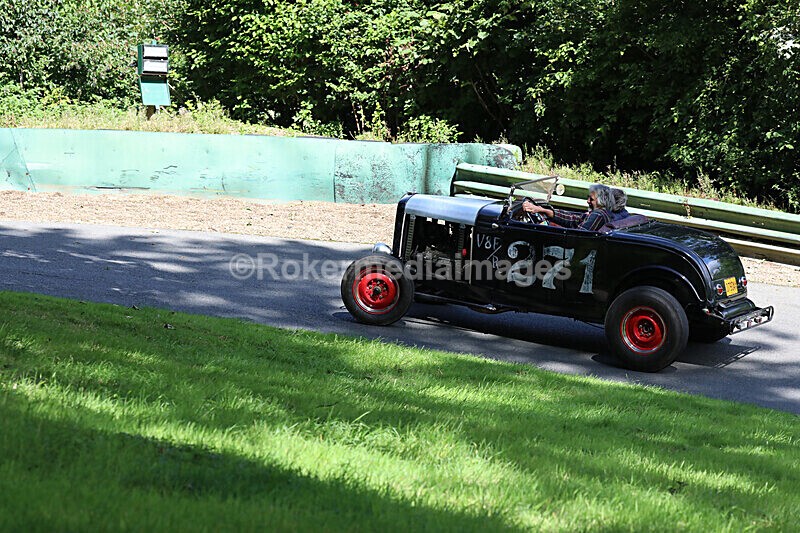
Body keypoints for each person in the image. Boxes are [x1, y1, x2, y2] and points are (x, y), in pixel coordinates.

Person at [523, 183, 614, 231]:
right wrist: (543, 210)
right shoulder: (596, 214)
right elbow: (573, 219)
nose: (588, 201)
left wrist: (550, 226)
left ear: (601, 201)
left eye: (591, 199)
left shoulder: (598, 215)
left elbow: (578, 235)